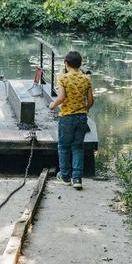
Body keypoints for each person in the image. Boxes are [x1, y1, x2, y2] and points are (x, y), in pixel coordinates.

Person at [48, 50, 94, 190]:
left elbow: (61, 98)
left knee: (63, 146)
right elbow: (91, 101)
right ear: (80, 65)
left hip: (66, 117)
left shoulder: (63, 78)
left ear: (66, 64)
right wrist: (84, 110)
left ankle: (66, 177)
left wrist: (53, 105)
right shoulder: (86, 79)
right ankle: (77, 178)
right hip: (81, 117)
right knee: (77, 146)